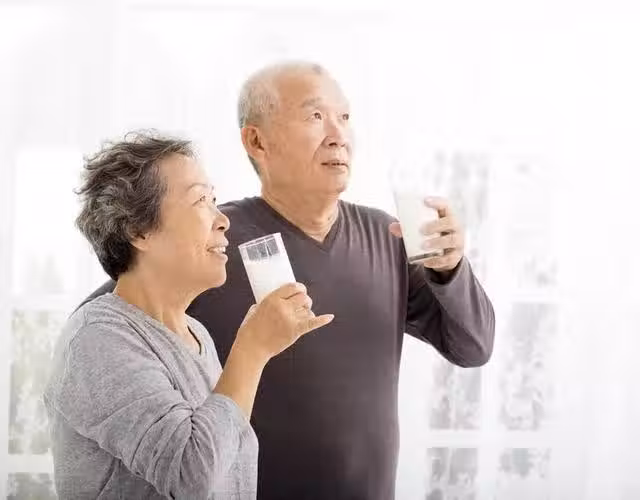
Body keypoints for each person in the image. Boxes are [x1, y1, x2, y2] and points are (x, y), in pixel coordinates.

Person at [84, 61, 495, 499]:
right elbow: (108, 327)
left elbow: (472, 347)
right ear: (256, 141)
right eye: (315, 116)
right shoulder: (210, 244)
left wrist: (450, 270)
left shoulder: (388, 237)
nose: (338, 135)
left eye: (345, 117)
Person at [44, 131, 334, 499]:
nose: (222, 219)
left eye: (214, 200)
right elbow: (189, 475)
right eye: (200, 200)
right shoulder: (96, 340)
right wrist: (253, 350)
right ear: (138, 229)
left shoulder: (196, 335)